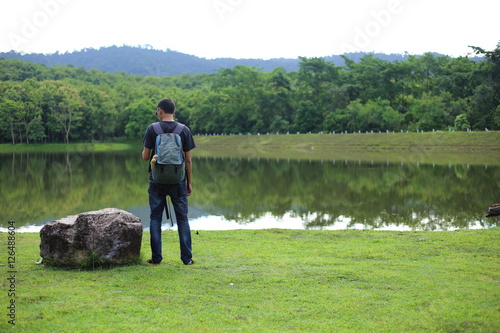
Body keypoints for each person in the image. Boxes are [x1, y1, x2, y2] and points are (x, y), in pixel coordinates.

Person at [142, 98, 196, 265]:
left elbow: (145, 157)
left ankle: (156, 258)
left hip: (157, 180)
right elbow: (188, 160)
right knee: (182, 219)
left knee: (155, 218)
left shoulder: (152, 129)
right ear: (174, 111)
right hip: (178, 179)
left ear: (160, 110)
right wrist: (189, 182)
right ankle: (186, 259)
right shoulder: (184, 130)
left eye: (157, 111)